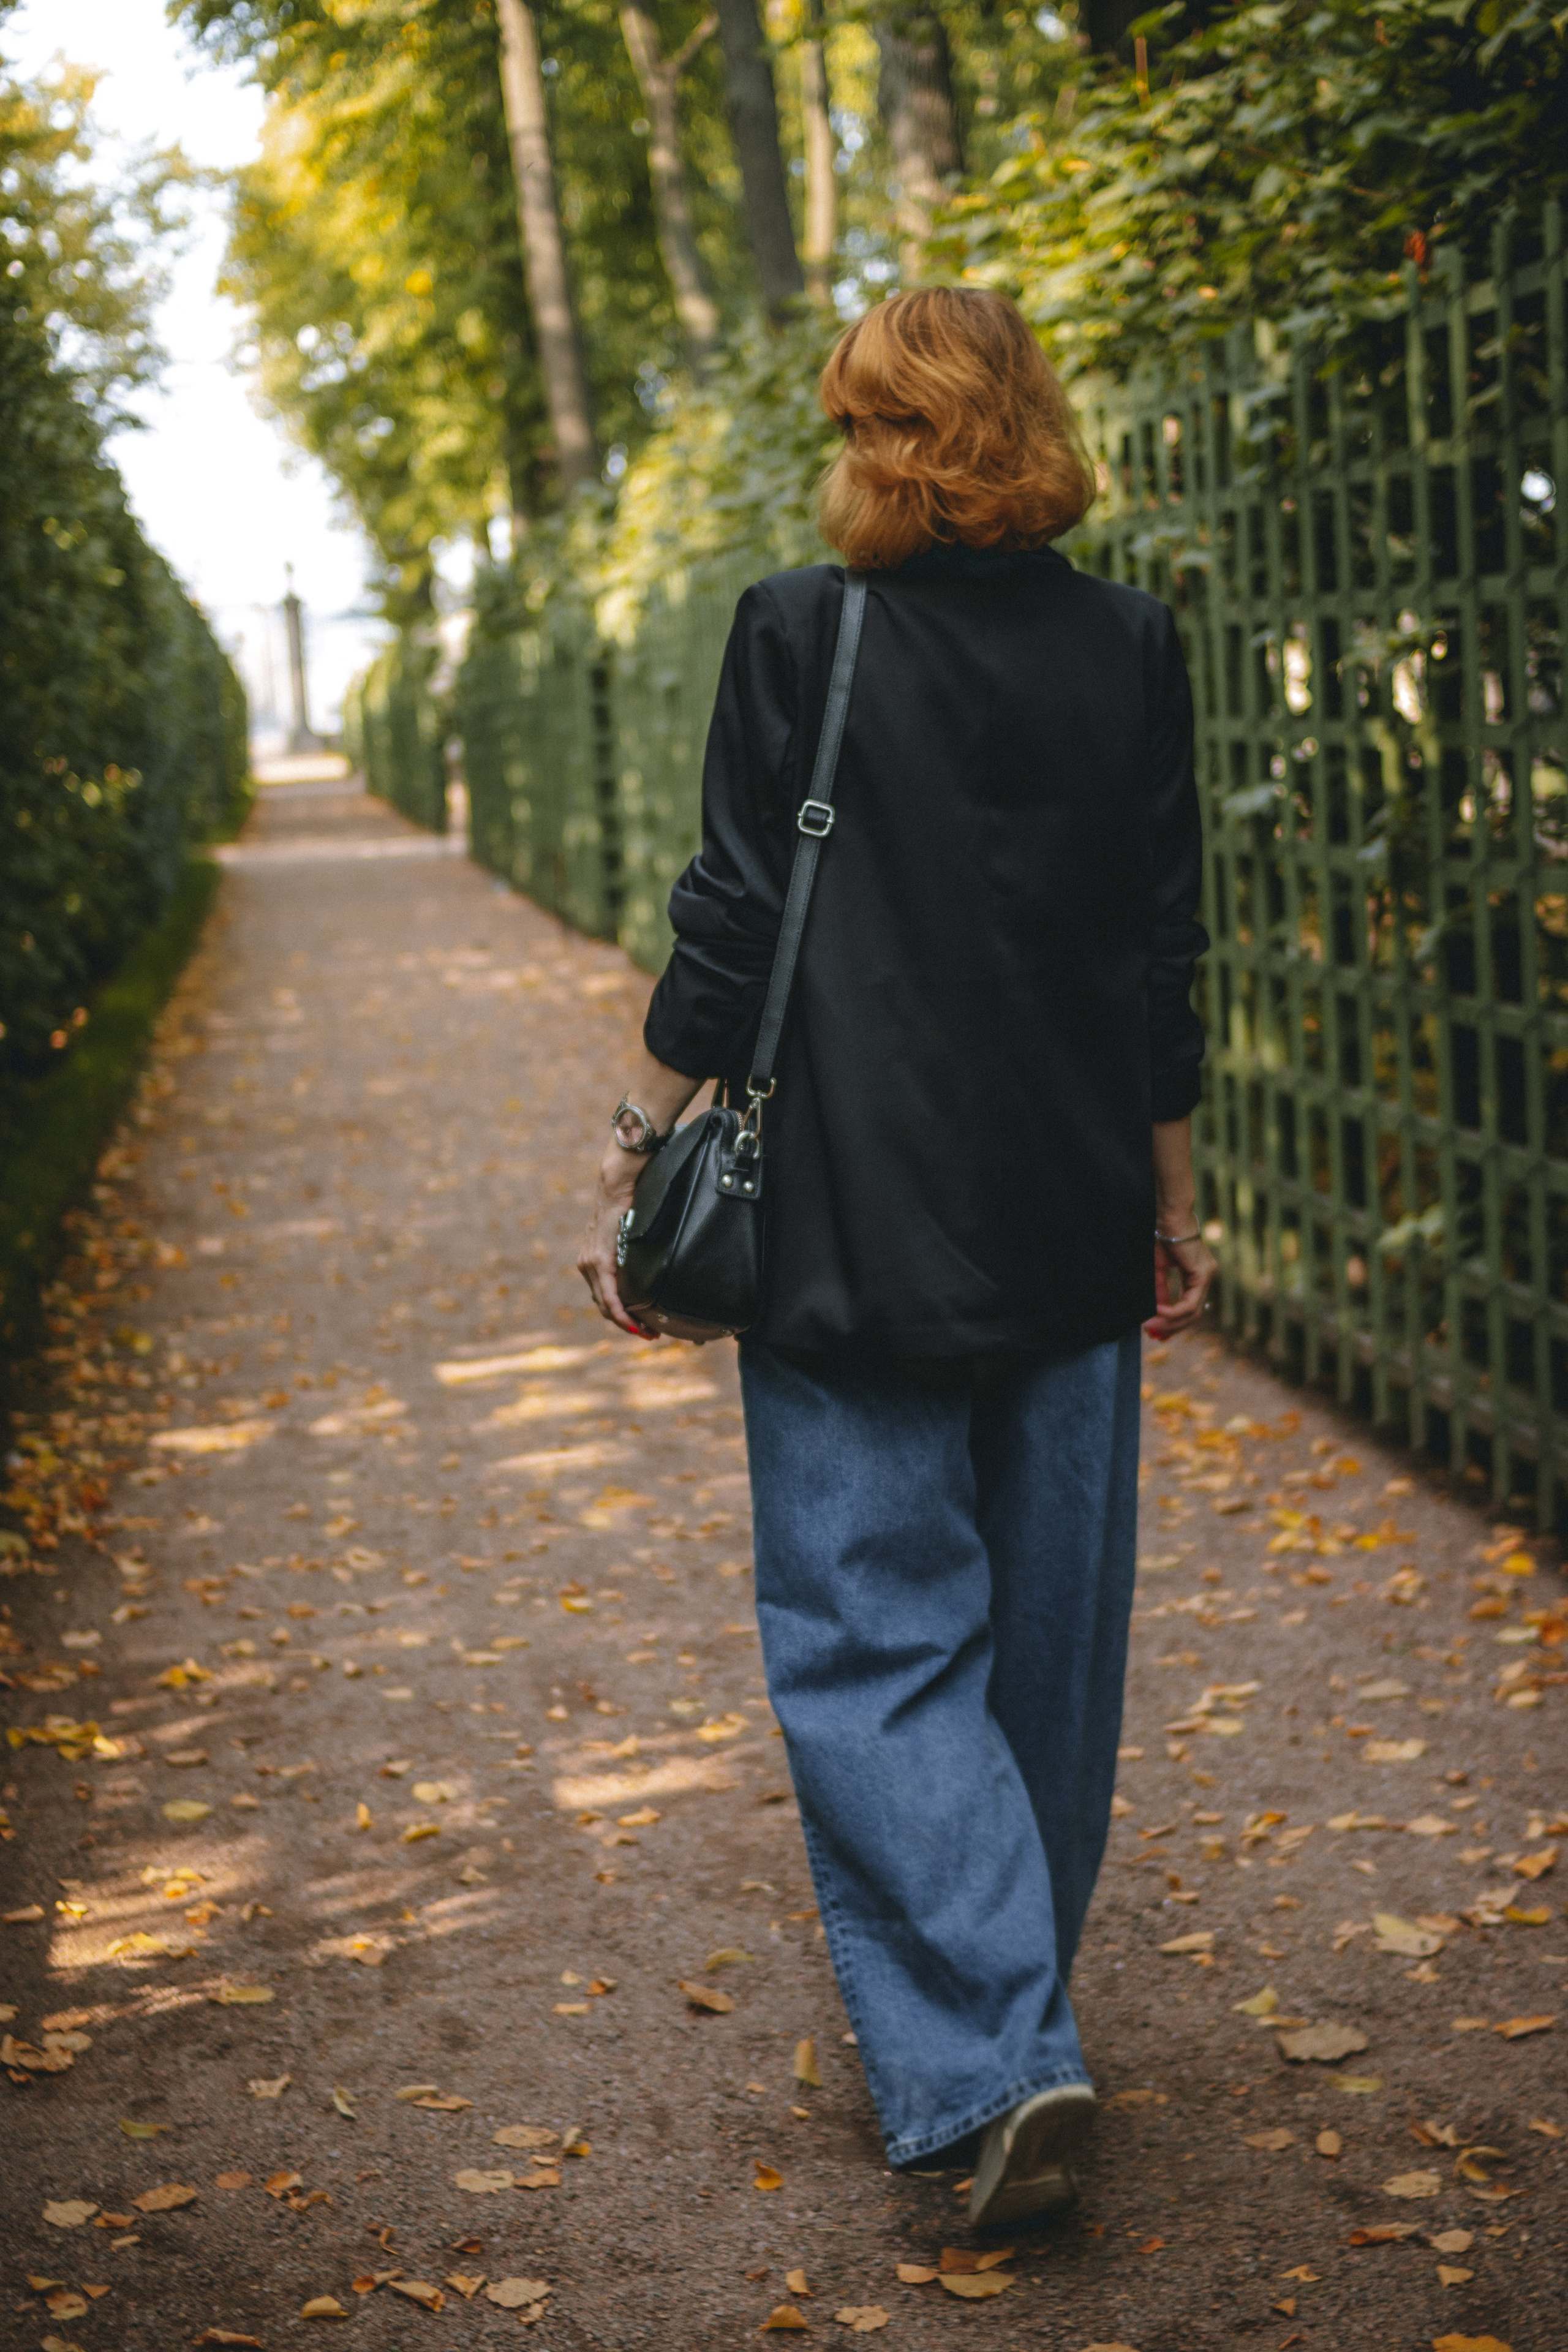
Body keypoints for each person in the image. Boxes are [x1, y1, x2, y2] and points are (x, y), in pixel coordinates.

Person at [579, 286, 1215, 2229]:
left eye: (866, 421)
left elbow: (733, 913)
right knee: (1053, 1649)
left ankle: (997, 2058)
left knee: (872, 1639)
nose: (852, 451)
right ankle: (1016, 2030)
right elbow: (1161, 950)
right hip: (1071, 1214)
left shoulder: (802, 626)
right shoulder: (1131, 644)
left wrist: (640, 1138)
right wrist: (1175, 1201)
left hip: (849, 1211)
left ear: (897, 440)